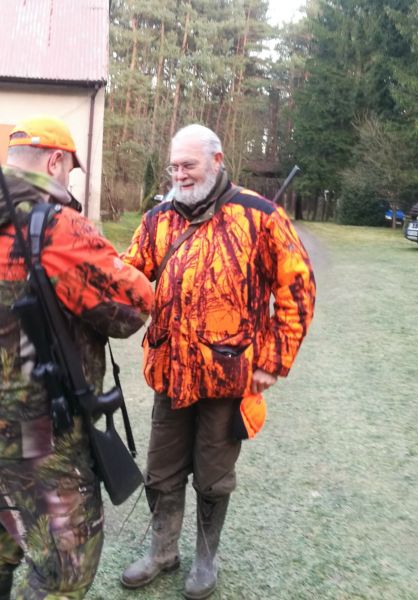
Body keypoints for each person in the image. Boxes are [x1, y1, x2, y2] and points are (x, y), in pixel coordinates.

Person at [0, 115, 154, 599]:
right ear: (55, 161)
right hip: (37, 440)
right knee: (64, 571)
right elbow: (131, 308)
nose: (69, 180)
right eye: (70, 170)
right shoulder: (57, 227)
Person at [120, 124, 316, 600]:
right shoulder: (158, 219)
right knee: (161, 471)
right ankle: (162, 552)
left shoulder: (259, 216)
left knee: (213, 478)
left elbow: (298, 290)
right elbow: (129, 275)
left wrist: (273, 361)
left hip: (227, 377)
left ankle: (206, 558)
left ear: (217, 160)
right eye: (174, 166)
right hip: (170, 372)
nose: (179, 174)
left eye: (188, 165)